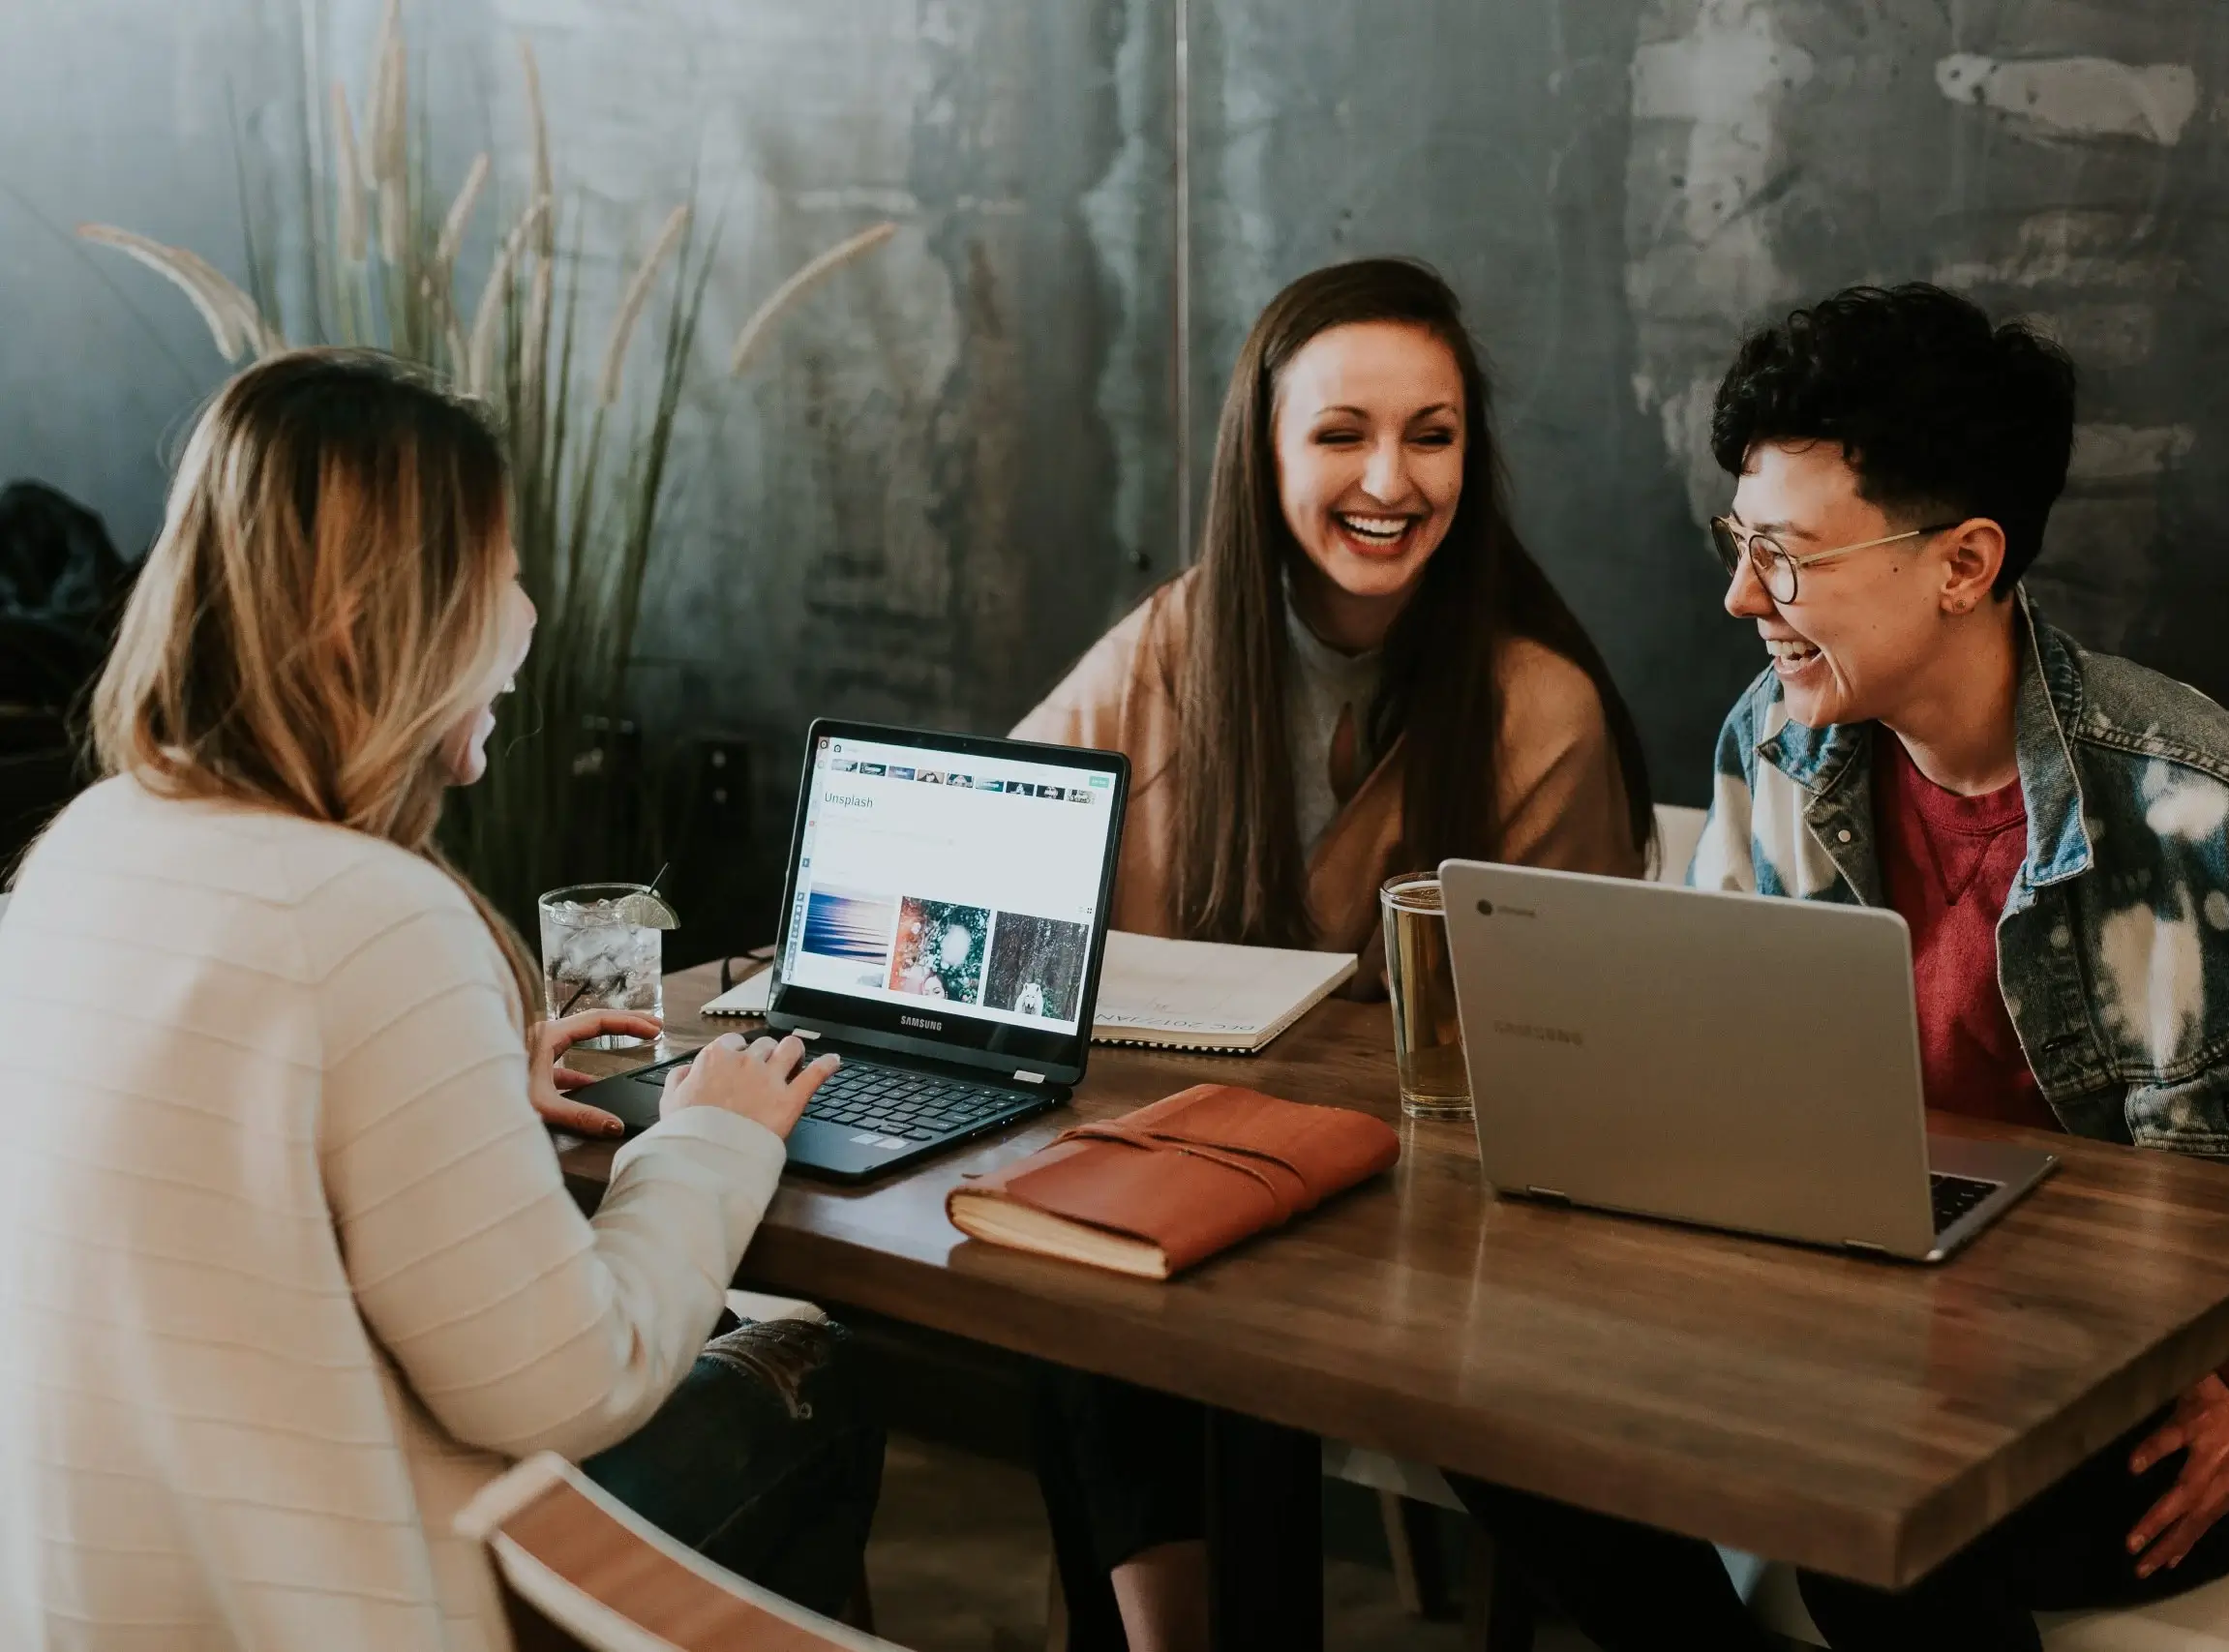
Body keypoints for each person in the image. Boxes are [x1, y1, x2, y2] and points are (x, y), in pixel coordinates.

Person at [1448, 282, 2229, 1651]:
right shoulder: (1776, 745)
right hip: (1864, 1339)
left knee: (1885, 1522)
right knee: (1486, 1406)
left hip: (2144, 1389)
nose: (1741, 593)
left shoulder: (2227, 809)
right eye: (1739, 541)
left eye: (1790, 556)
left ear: (1964, 562)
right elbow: (1719, 1087)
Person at [0, 351, 882, 1652]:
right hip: (329, 1610)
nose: (525, 614)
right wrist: (714, 1133)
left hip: (101, 1604)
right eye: (501, 571)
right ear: (382, 617)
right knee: (821, 1376)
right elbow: (566, 1383)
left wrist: (463, 1080)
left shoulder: (83, 848)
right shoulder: (370, 914)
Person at [1012, 257, 1652, 1652]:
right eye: (1342, 433)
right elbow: (1010, 840)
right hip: (1191, 1189)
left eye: (1432, 434)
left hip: (1431, 1236)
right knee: (1079, 1276)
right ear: (1266, 452)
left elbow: (1559, 1059)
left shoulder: (1537, 709)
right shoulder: (1180, 640)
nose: (1392, 478)